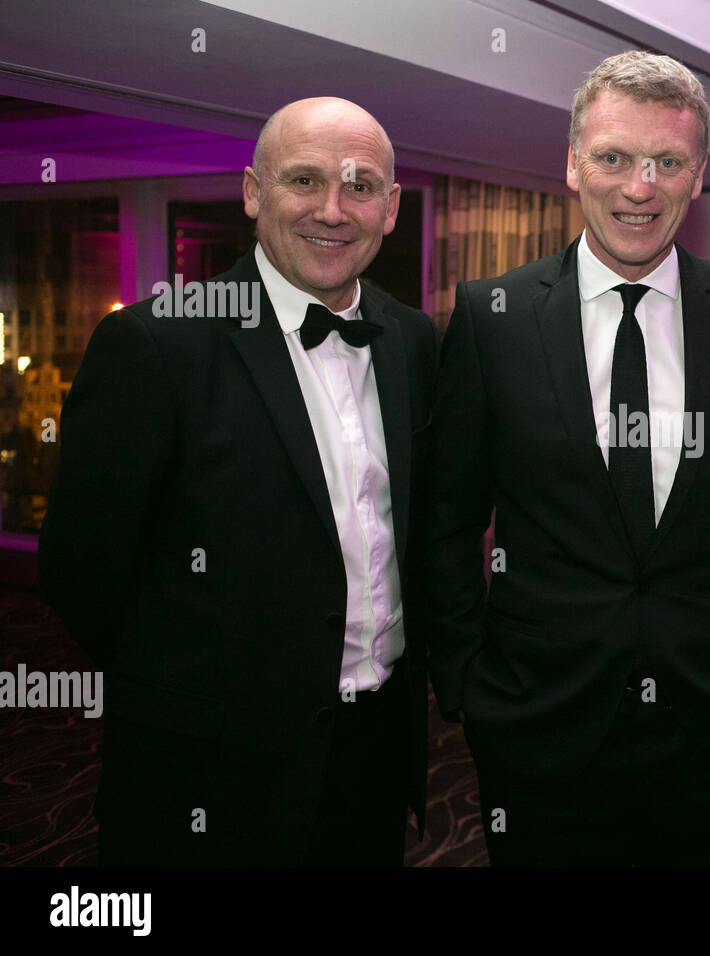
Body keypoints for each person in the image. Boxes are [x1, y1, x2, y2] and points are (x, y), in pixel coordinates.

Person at [427, 51, 710, 866]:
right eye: (613, 157)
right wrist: (470, 682)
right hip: (540, 731)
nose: (639, 187)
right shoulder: (492, 317)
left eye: (667, 162)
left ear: (698, 175)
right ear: (572, 165)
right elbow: (446, 521)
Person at [39, 97, 438, 866]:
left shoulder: (412, 338)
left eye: (359, 187)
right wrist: (194, 693)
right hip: (214, 771)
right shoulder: (153, 345)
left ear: (390, 209)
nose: (332, 210)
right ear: (254, 193)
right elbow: (81, 574)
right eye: (304, 181)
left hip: (374, 754)